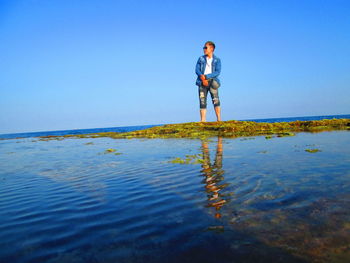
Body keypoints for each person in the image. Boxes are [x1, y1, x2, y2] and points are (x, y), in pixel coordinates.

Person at [195, 41, 222, 122]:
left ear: (212, 49)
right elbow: (197, 69)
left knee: (215, 100)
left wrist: (206, 77)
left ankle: (219, 119)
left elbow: (217, 72)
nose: (204, 49)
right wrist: (203, 78)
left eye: (206, 48)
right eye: (204, 48)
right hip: (202, 81)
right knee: (202, 100)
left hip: (212, 81)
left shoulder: (217, 60)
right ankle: (203, 120)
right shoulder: (201, 58)